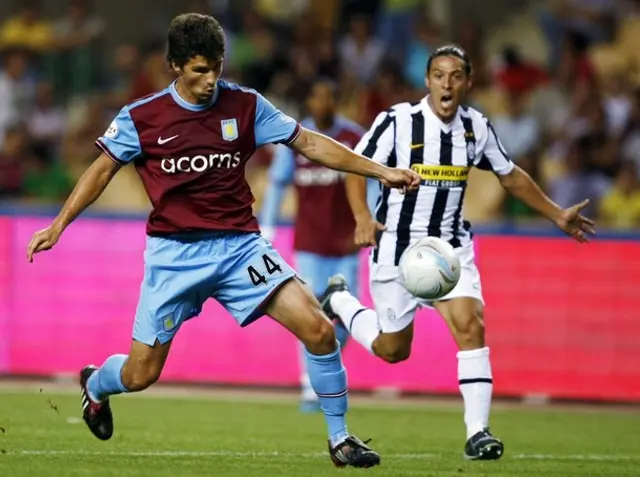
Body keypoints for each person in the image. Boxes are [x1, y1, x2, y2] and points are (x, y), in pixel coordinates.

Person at [26, 13, 421, 468]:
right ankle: (96, 385)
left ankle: (340, 438)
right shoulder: (142, 117)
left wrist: (383, 171)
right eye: (199, 69)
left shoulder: (246, 105)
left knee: (317, 328)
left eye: (217, 66)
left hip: (240, 248)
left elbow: (310, 143)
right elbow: (100, 172)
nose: (211, 78)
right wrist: (58, 225)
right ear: (175, 65)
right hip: (175, 257)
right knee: (140, 374)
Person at [320, 45, 595, 461]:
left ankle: (477, 433)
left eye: (455, 76)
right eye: (438, 75)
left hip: (449, 248)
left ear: (467, 82)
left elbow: (510, 175)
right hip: (397, 249)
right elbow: (356, 167)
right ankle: (339, 300)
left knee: (471, 325)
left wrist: (556, 214)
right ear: (427, 80)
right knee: (393, 351)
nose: (446, 83)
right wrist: (361, 216)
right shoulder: (398, 121)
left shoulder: (476, 127)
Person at [260, 78, 364, 413]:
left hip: (345, 245)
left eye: (329, 97)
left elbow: (368, 182)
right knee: (309, 315)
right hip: (309, 244)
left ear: (336, 101)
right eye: (317, 97)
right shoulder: (297, 139)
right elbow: (277, 183)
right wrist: (267, 227)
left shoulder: (352, 138)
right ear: (311, 102)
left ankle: (327, 365)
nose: (323, 103)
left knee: (346, 318)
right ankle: (310, 388)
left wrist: (369, 222)